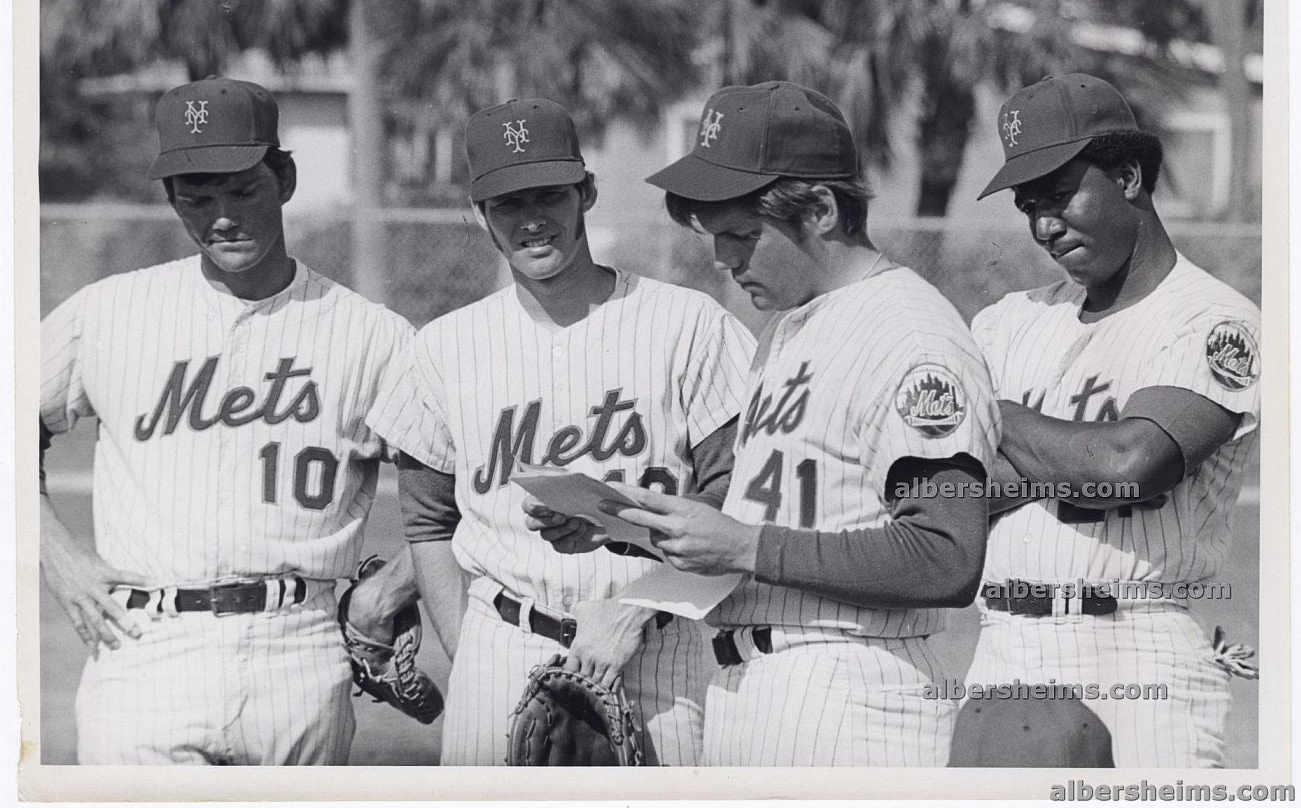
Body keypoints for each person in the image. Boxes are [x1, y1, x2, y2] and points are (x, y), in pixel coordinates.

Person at [599, 80, 1000, 767]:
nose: (723, 260)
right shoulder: (788, 328)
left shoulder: (911, 335)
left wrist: (748, 547)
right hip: (753, 687)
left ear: (817, 208)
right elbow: (776, 513)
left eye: (743, 236)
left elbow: (946, 556)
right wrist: (628, 525)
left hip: (853, 695)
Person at [363, 96, 755, 765]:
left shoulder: (688, 326)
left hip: (655, 647)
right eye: (508, 203)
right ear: (480, 213)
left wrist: (640, 609)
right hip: (503, 643)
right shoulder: (443, 348)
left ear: (586, 193)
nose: (532, 220)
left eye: (549, 195)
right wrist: (471, 652)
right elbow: (428, 524)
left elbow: (739, 499)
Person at [39, 77, 416, 765]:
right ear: (171, 197)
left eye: (241, 188)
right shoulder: (109, 313)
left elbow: (470, 487)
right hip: (143, 644)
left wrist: (386, 594)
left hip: (298, 647)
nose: (220, 215)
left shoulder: (372, 336)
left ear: (285, 178)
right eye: (197, 194)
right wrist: (55, 557)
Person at [958, 73, 1261, 767]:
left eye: (1059, 195)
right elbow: (934, 493)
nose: (1042, 225)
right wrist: (1071, 458)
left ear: (1127, 175)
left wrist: (996, 417)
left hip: (1137, 648)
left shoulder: (1213, 320)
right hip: (1001, 643)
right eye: (1028, 206)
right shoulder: (1007, 321)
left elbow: (1129, 465)